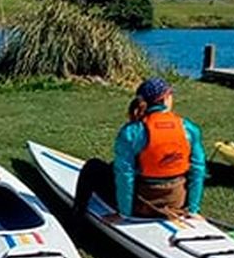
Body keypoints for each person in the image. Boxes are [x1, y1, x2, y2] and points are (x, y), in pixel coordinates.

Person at [72, 77, 206, 219]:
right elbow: (198, 170)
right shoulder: (189, 129)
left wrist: (124, 214)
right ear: (166, 99)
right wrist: (192, 210)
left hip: (142, 206)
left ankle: (77, 214)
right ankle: (185, 209)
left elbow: (125, 174)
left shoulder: (131, 131)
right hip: (176, 203)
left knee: (92, 166)